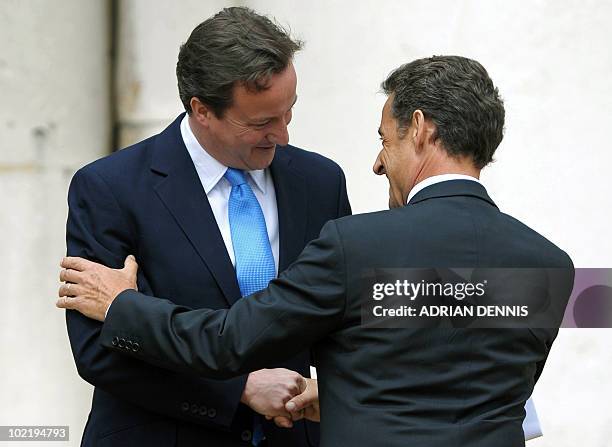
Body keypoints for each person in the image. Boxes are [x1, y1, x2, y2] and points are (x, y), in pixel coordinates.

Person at [58, 56, 573, 446]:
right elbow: (474, 376)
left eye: (384, 138)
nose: (377, 162)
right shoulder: (551, 265)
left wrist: (121, 305)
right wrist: (345, 396)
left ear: (419, 128)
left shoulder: (359, 246)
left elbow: (227, 342)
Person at [63, 7, 350, 447]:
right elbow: (99, 349)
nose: (283, 135)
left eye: (288, 112)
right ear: (202, 110)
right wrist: (239, 390)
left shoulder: (320, 182)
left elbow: (344, 323)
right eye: (261, 123)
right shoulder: (110, 188)